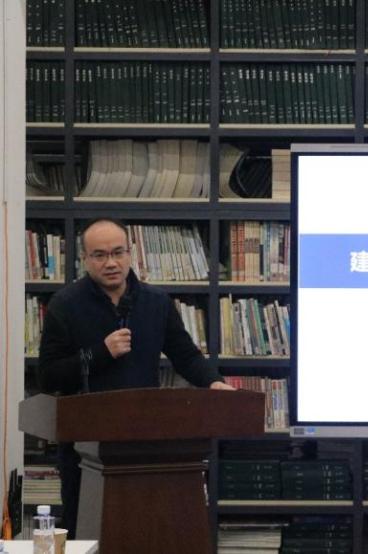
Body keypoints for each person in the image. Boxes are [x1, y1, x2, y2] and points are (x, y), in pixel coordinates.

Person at [37, 217, 235, 538]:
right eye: (100, 255)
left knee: (147, 533)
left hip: (145, 443)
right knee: (86, 535)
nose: (111, 263)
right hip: (85, 448)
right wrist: (100, 353)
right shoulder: (65, 304)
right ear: (85, 259)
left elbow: (186, 355)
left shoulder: (155, 302)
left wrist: (213, 382)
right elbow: (49, 377)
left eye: (118, 252)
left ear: (130, 254)